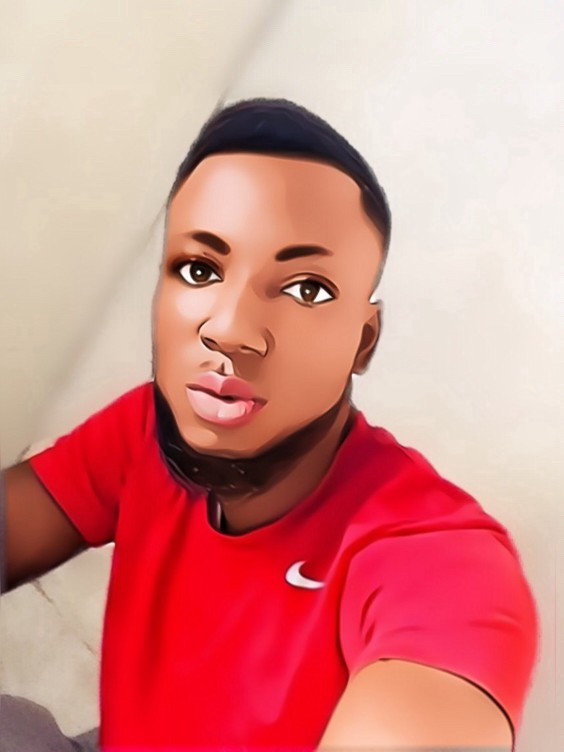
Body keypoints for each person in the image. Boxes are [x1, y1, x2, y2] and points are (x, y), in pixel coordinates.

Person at [2, 98, 538, 751]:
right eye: (200, 269)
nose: (229, 329)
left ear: (363, 340)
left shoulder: (435, 557)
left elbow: (434, 687)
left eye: (306, 288)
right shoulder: (146, 427)